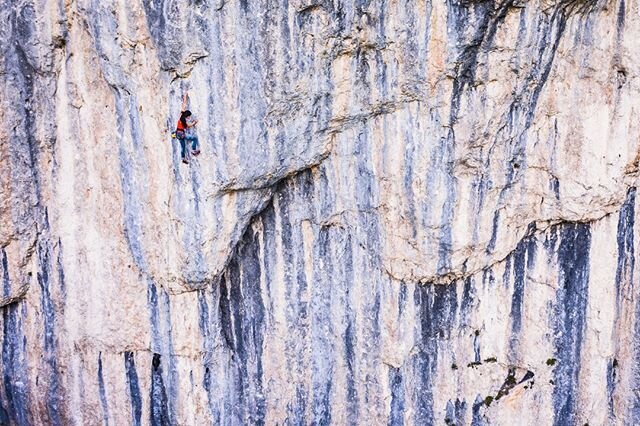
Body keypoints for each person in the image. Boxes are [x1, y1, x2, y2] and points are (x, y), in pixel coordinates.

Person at [175, 92, 200, 164]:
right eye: (189, 116)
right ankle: (193, 150)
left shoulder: (181, 115)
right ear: (187, 116)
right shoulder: (184, 121)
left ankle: (183, 158)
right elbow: (188, 126)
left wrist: (185, 96)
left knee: (183, 147)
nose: (189, 117)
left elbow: (184, 105)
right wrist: (194, 123)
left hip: (177, 134)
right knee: (194, 138)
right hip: (182, 134)